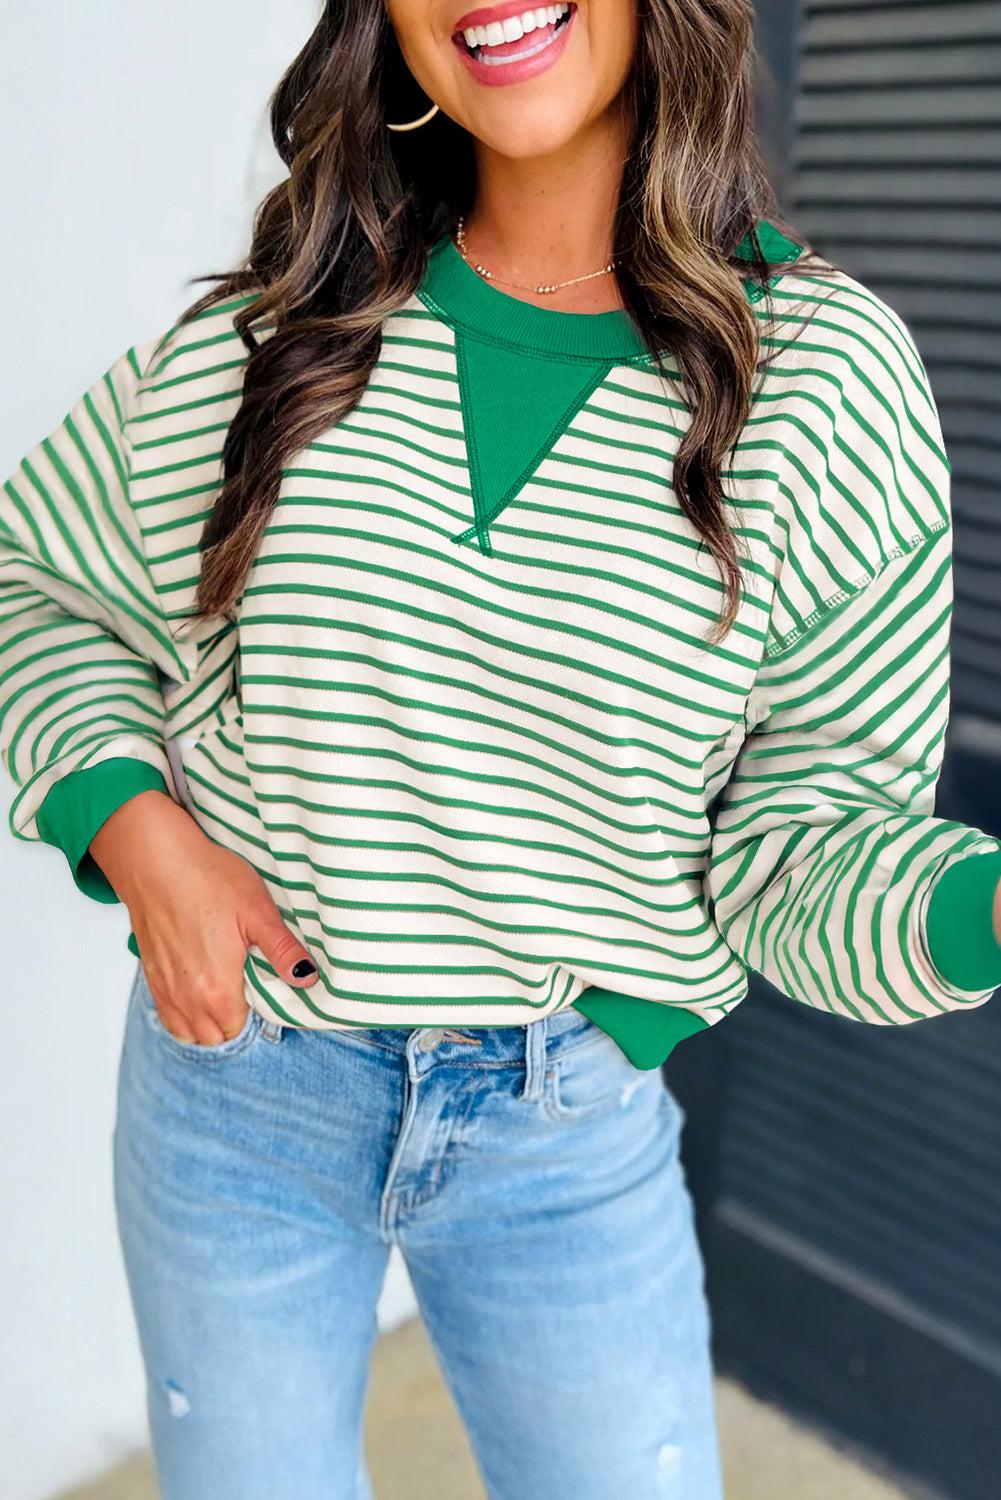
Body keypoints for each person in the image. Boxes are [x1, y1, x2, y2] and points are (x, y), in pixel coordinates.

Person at [3, 0, 1001, 1494]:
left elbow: (806, 843)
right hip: (237, 1094)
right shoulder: (289, 321)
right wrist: (140, 838)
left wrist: (983, 909)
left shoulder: (821, 376)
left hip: (563, 1123)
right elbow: (38, 582)